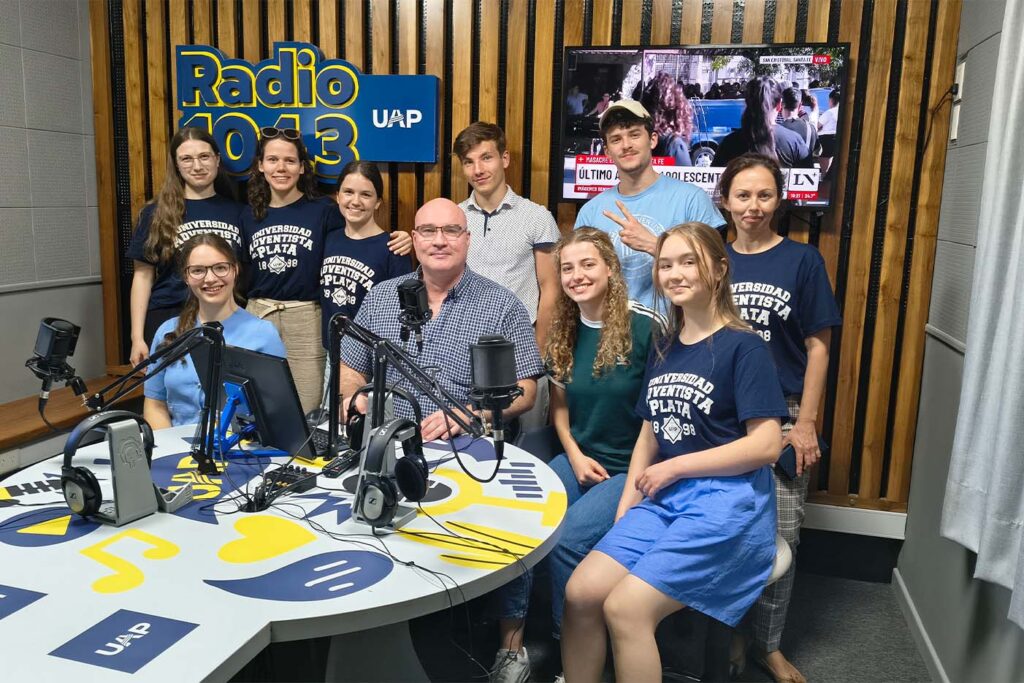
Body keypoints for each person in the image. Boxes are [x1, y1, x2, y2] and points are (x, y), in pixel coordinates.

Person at [560, 221, 788, 683]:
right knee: (581, 591)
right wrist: (626, 505)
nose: (674, 273)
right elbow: (649, 430)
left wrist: (677, 466)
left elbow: (766, 444)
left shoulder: (745, 347)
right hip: (665, 499)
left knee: (626, 609)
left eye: (689, 262)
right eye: (666, 264)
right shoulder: (666, 346)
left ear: (720, 270)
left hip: (727, 505)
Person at [721, 154, 842, 683]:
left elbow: (818, 348)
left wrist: (808, 422)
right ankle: (726, 633)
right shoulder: (714, 262)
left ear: (779, 200)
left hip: (787, 411)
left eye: (764, 195)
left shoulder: (803, 261)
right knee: (723, 527)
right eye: (743, 195)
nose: (753, 206)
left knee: (782, 533)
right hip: (722, 411)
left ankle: (767, 645)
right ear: (724, 198)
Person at [545, 228, 662, 642]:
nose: (577, 275)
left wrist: (632, 483)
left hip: (630, 468)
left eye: (588, 264)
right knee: (527, 522)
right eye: (567, 268)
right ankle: (521, 635)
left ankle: (570, 650)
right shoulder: (564, 328)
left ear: (611, 269)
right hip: (580, 456)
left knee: (567, 539)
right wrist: (574, 454)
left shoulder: (646, 328)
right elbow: (558, 407)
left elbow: (660, 418)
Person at [454, 121, 561, 430]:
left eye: (486, 157)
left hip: (521, 352)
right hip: (466, 350)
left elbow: (550, 287)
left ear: (505, 159)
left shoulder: (536, 216)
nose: (478, 169)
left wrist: (537, 353)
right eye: (469, 161)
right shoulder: (456, 218)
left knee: (527, 447)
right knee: (469, 440)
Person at [575, 100, 725, 310]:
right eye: (616, 139)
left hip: (678, 335)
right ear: (607, 151)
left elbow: (716, 270)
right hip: (610, 335)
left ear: (652, 140)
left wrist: (655, 245)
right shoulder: (591, 212)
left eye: (635, 135)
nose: (626, 145)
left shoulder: (691, 199)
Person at [127, 127, 243, 366]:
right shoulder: (156, 213)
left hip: (223, 315)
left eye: (204, 156)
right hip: (169, 315)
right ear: (176, 165)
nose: (197, 166)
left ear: (217, 159)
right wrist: (137, 337)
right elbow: (142, 276)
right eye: (187, 159)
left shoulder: (239, 212)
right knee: (172, 395)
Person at [144, 234, 285, 429]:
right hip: (178, 451)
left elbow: (277, 412)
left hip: (239, 451)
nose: (210, 279)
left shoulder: (264, 334)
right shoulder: (168, 331)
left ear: (235, 270)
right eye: (198, 270)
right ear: (186, 277)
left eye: (220, 268)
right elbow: (155, 404)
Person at [320, 161, 412, 350]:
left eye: (366, 195)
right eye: (348, 192)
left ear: (378, 202)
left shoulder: (393, 248)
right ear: (337, 196)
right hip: (333, 353)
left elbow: (402, 312)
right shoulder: (329, 239)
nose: (355, 201)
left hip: (371, 356)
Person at [712, 76, 809, 169]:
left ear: (746, 103)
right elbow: (808, 182)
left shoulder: (729, 143)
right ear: (780, 105)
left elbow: (714, 181)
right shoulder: (794, 141)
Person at [779, 87, 819, 165]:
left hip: (782, 174)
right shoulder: (811, 128)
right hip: (805, 174)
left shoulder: (776, 130)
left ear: (782, 105)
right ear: (800, 105)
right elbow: (817, 151)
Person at [817, 90, 841, 177]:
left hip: (826, 140)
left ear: (831, 100)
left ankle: (823, 180)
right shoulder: (842, 111)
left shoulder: (829, 112)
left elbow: (817, 125)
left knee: (824, 164)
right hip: (836, 139)